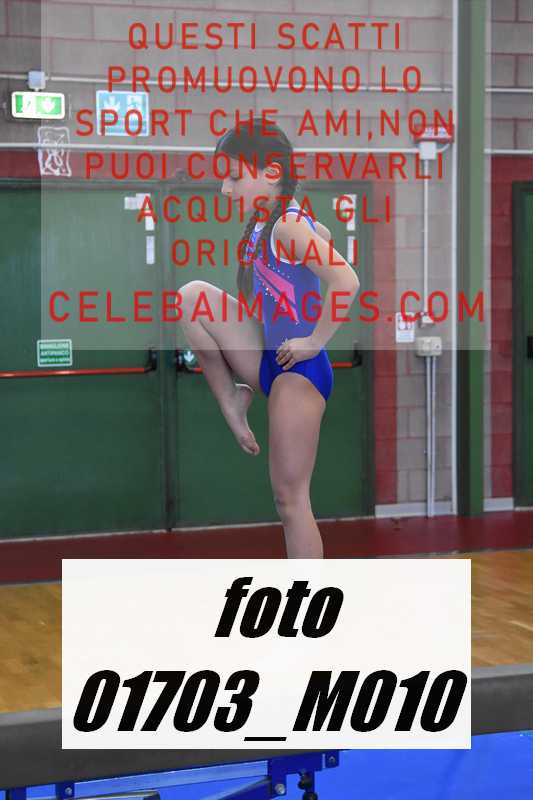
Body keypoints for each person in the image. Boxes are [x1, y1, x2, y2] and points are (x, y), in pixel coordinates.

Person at [179, 117, 360, 558]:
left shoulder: (287, 227)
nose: (226, 189)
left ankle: (306, 597)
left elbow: (346, 281)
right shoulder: (269, 224)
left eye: (234, 177)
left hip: (299, 370)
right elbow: (321, 240)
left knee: (290, 501)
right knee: (191, 298)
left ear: (272, 173)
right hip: (267, 356)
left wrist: (314, 342)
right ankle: (232, 400)